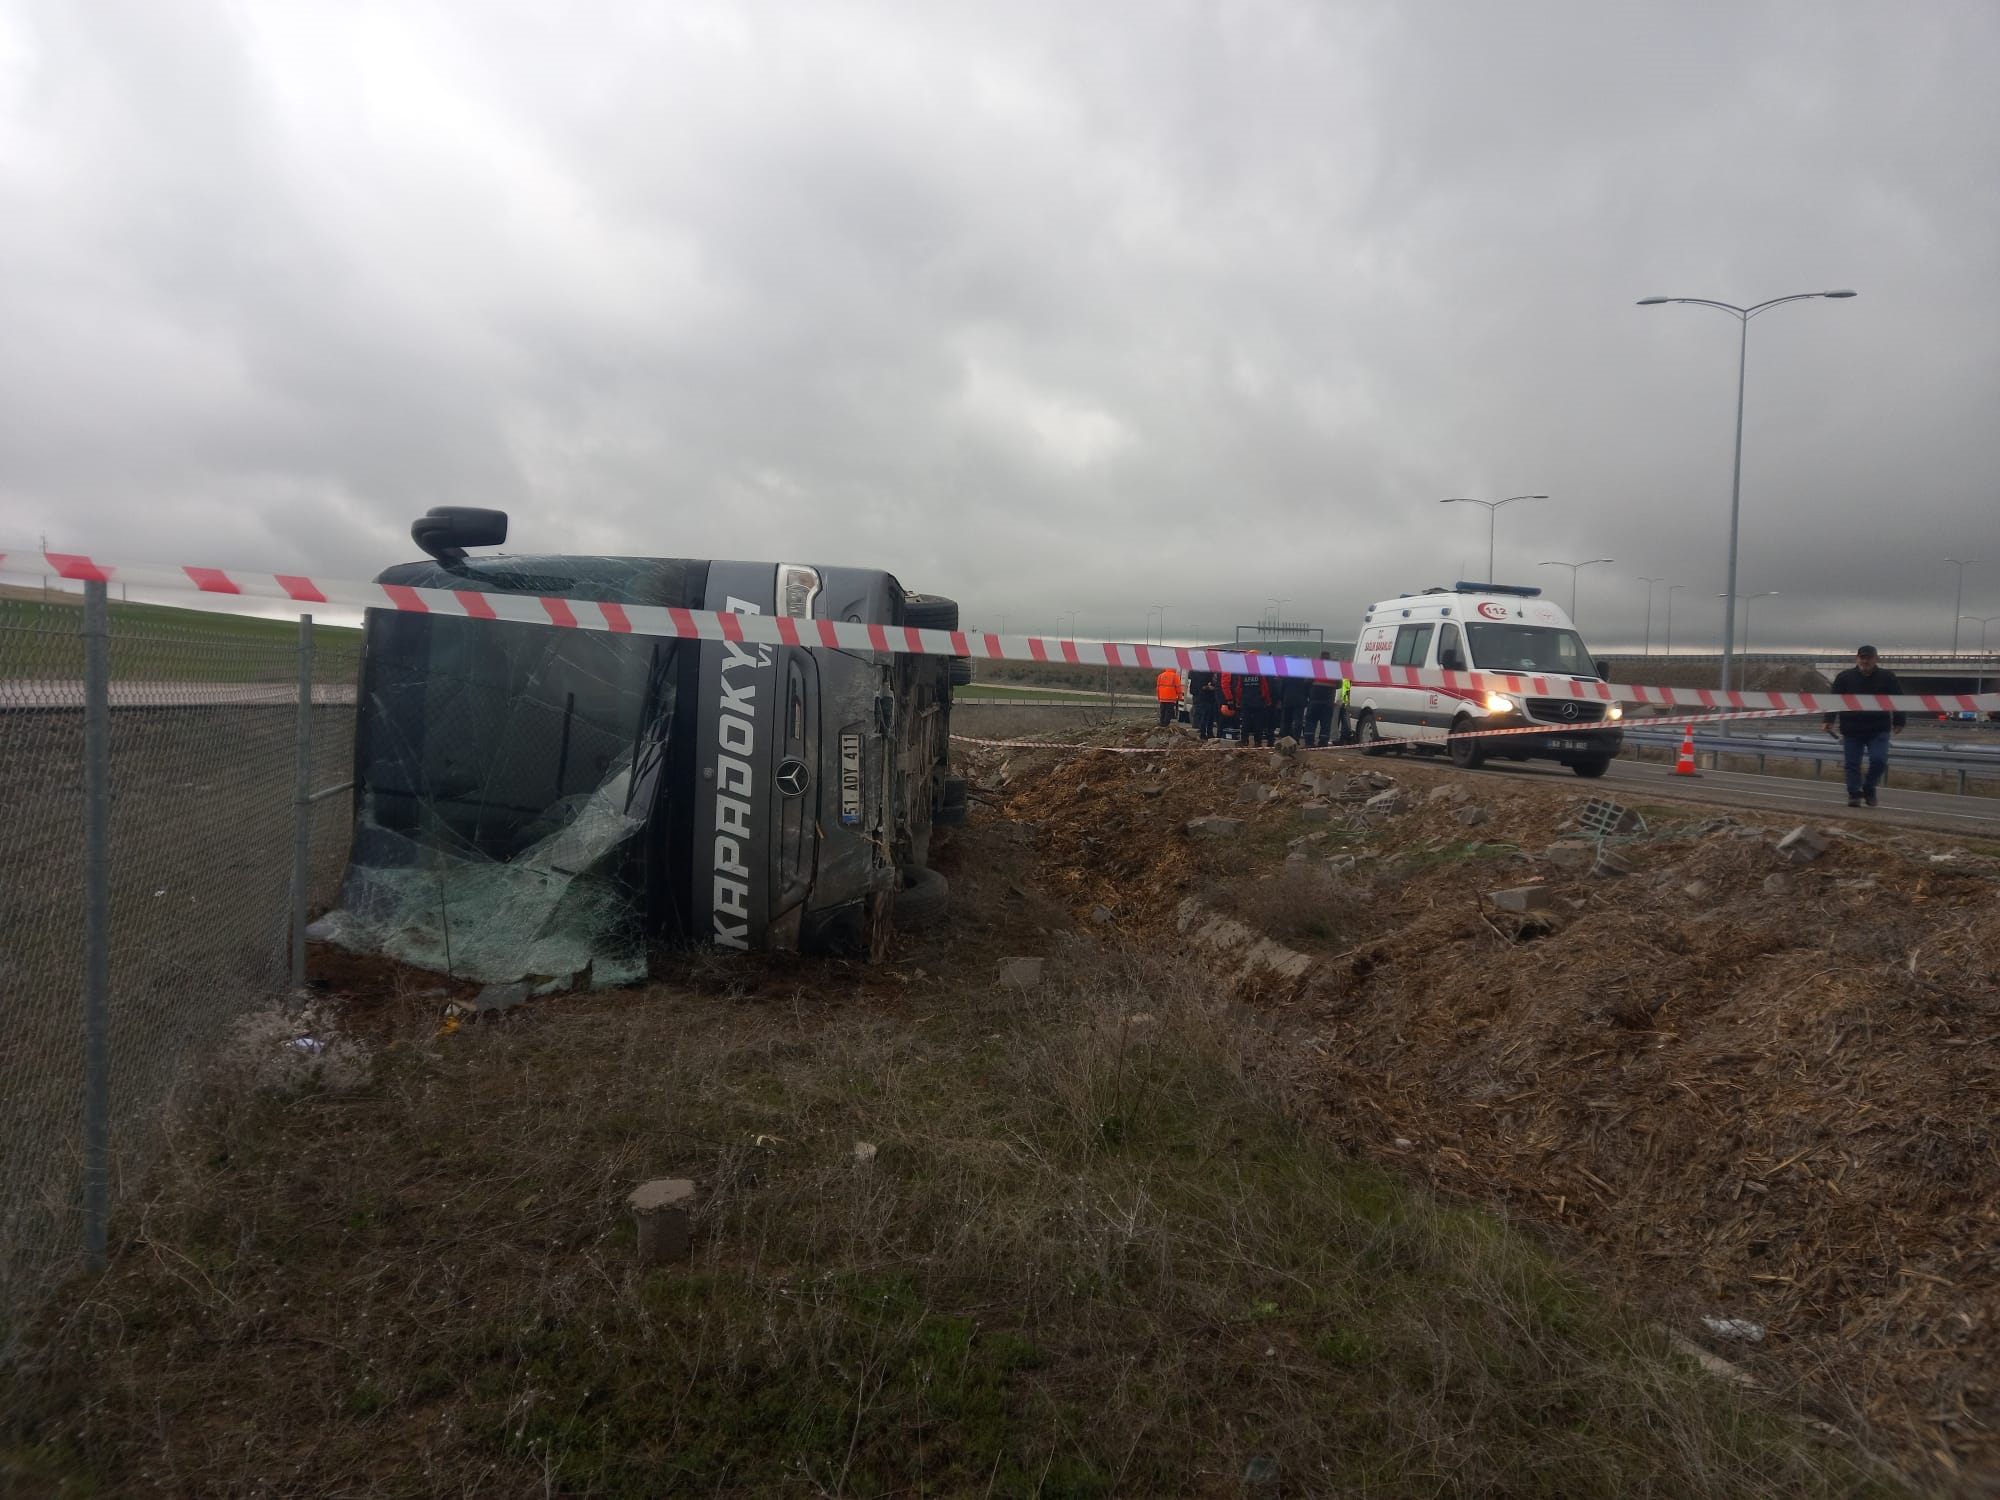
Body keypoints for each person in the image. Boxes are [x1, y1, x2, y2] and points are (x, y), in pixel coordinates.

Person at [1822, 644, 1905, 807]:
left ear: (1876, 659)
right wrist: (1828, 720)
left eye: (1869, 658)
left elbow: (1898, 700)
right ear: (1857, 658)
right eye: (1862, 657)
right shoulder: (1844, 677)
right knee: (1852, 764)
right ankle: (1854, 794)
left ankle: (1869, 787)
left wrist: (1899, 720)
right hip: (1852, 729)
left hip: (1878, 728)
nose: (1865, 661)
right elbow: (1834, 700)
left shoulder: (1887, 677)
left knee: (1879, 761)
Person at [1303, 652, 1338, 747]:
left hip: (1314, 700)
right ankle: (1323, 743)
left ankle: (1309, 743)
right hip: (1328, 702)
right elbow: (1339, 685)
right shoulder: (1333, 670)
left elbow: (1306, 682)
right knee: (1325, 724)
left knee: (1310, 721)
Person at [1278, 667, 1310, 743]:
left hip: (1287, 700)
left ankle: (1284, 737)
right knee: (1298, 720)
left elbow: (1282, 687)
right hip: (1299, 701)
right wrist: (1306, 698)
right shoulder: (1303, 676)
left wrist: (1281, 699)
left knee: (1286, 721)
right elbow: (1307, 688)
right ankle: (1296, 738)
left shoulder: (1286, 675)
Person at [1189, 669, 1220, 739]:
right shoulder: (1202, 672)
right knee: (1204, 716)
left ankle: (1202, 733)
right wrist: (1207, 687)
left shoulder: (1195, 671)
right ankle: (1202, 733)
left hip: (1202, 695)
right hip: (1204, 696)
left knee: (1205, 716)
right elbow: (1201, 685)